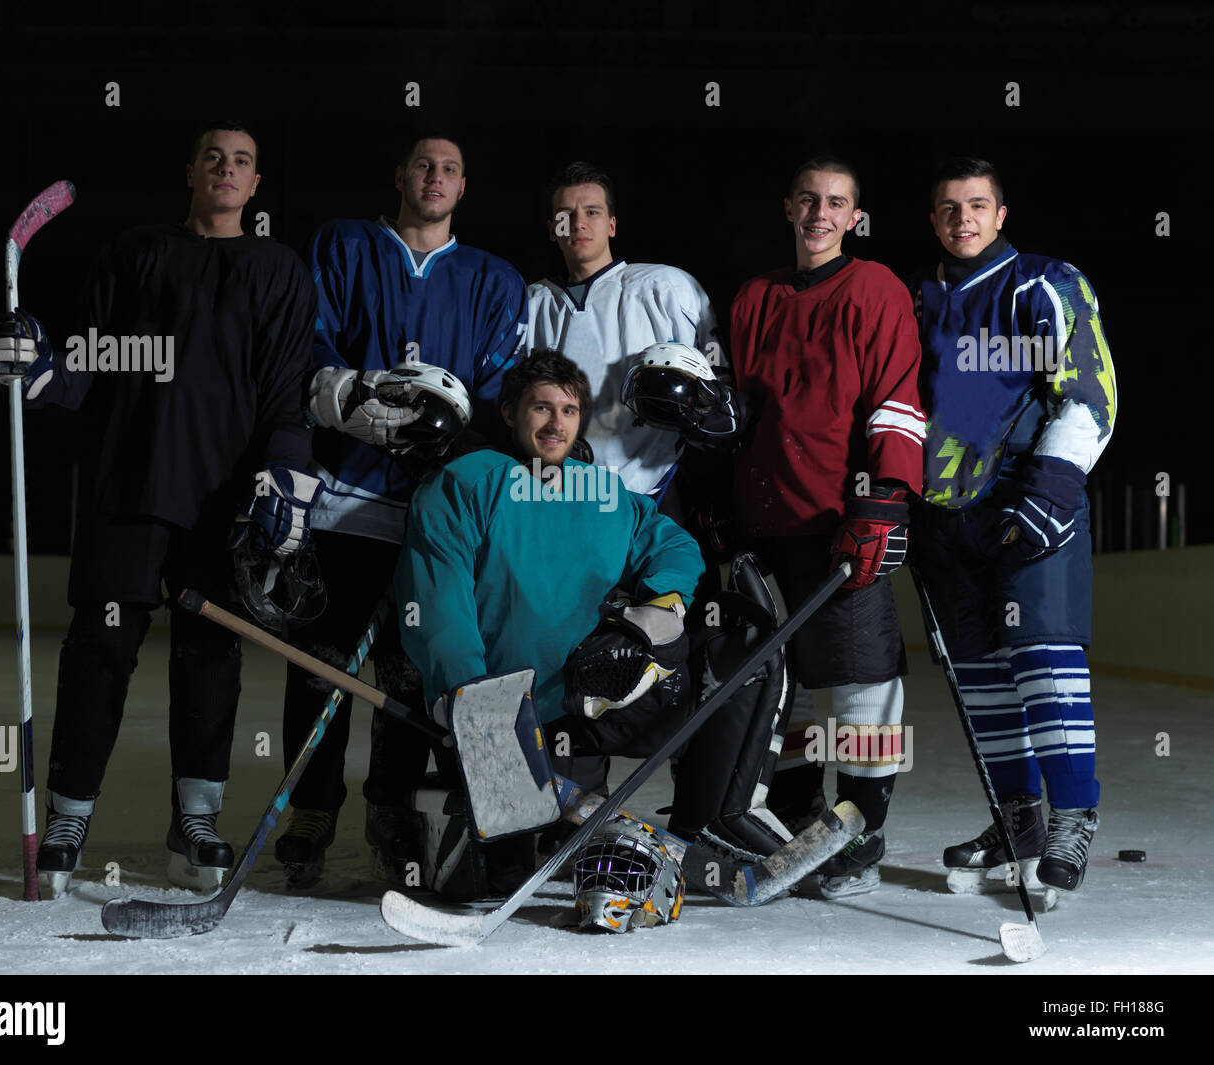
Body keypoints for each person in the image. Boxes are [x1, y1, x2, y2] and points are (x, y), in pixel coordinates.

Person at [0, 121, 318, 894]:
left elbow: (284, 394)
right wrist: (35, 367)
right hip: (126, 492)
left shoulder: (276, 270)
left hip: (223, 506)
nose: (226, 170)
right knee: (99, 655)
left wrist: (285, 475)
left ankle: (195, 819)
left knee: (210, 658)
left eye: (242, 161)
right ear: (191, 171)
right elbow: (90, 367)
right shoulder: (134, 254)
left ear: (256, 184)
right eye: (213, 157)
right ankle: (70, 813)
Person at [278, 135, 528, 887]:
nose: (436, 176)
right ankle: (310, 806)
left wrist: (454, 438)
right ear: (399, 175)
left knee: (408, 675)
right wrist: (353, 403)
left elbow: (501, 389)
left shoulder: (495, 279)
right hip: (346, 504)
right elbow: (309, 344)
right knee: (321, 665)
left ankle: (389, 805)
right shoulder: (343, 245)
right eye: (424, 164)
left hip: (434, 514)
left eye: (451, 167)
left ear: (463, 186)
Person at [393, 349, 705, 909]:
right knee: (497, 876)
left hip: (581, 705)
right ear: (511, 413)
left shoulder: (602, 492)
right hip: (495, 707)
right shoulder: (463, 485)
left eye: (569, 410)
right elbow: (438, 605)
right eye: (541, 408)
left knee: (582, 864)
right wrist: (470, 700)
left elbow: (674, 544)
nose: (556, 424)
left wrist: (659, 605)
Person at [910, 157, 1116, 894]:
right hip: (943, 522)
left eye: (976, 205)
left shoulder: (1045, 282)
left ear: (1001, 215)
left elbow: (1089, 388)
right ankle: (1019, 818)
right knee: (981, 680)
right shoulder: (917, 298)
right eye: (947, 208)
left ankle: (1072, 817)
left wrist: (1054, 485)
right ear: (933, 220)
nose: (962, 218)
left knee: (1042, 661)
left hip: (1028, 504)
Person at [727, 157, 925, 897]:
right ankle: (805, 822)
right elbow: (741, 414)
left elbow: (895, 396)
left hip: (844, 523)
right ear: (788, 207)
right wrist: (725, 504)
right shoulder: (754, 297)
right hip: (769, 523)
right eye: (808, 198)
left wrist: (882, 501)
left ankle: (861, 831)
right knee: (785, 689)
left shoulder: (874, 288)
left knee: (863, 681)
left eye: (836, 202)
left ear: (853, 217)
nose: (819, 212)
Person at [522, 161, 728, 501]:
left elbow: (718, 375)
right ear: (551, 229)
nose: (578, 223)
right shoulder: (529, 303)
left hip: (655, 485)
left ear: (612, 225)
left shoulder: (666, 287)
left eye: (592, 211)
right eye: (565, 215)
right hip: (560, 490)